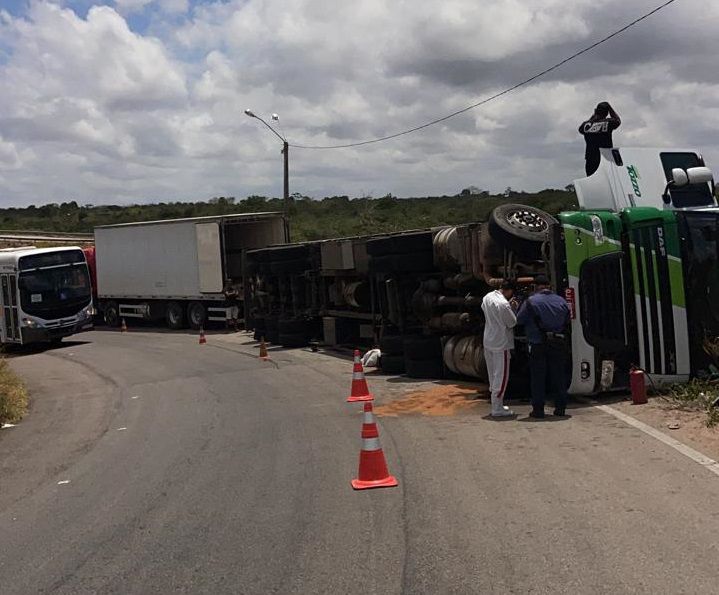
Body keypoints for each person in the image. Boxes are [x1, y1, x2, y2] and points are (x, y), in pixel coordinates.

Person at [517, 275, 570, 418]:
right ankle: (560, 408)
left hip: (537, 344)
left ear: (535, 286)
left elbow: (519, 320)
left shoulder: (530, 302)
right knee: (559, 376)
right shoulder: (561, 301)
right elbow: (567, 320)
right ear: (549, 286)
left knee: (538, 377)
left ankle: (538, 410)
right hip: (557, 342)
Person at [481, 280, 518, 417]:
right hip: (501, 342)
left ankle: (497, 404)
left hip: (488, 339)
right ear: (509, 291)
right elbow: (512, 322)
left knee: (492, 374)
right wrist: (512, 308)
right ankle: (497, 408)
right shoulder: (503, 304)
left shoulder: (487, 297)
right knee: (501, 376)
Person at [578, 101, 621, 176]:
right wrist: (610, 108)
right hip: (605, 160)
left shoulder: (585, 125)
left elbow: (581, 130)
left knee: (592, 181)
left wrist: (594, 116)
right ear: (606, 113)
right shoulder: (608, 122)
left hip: (590, 160)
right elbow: (617, 120)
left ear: (596, 111)